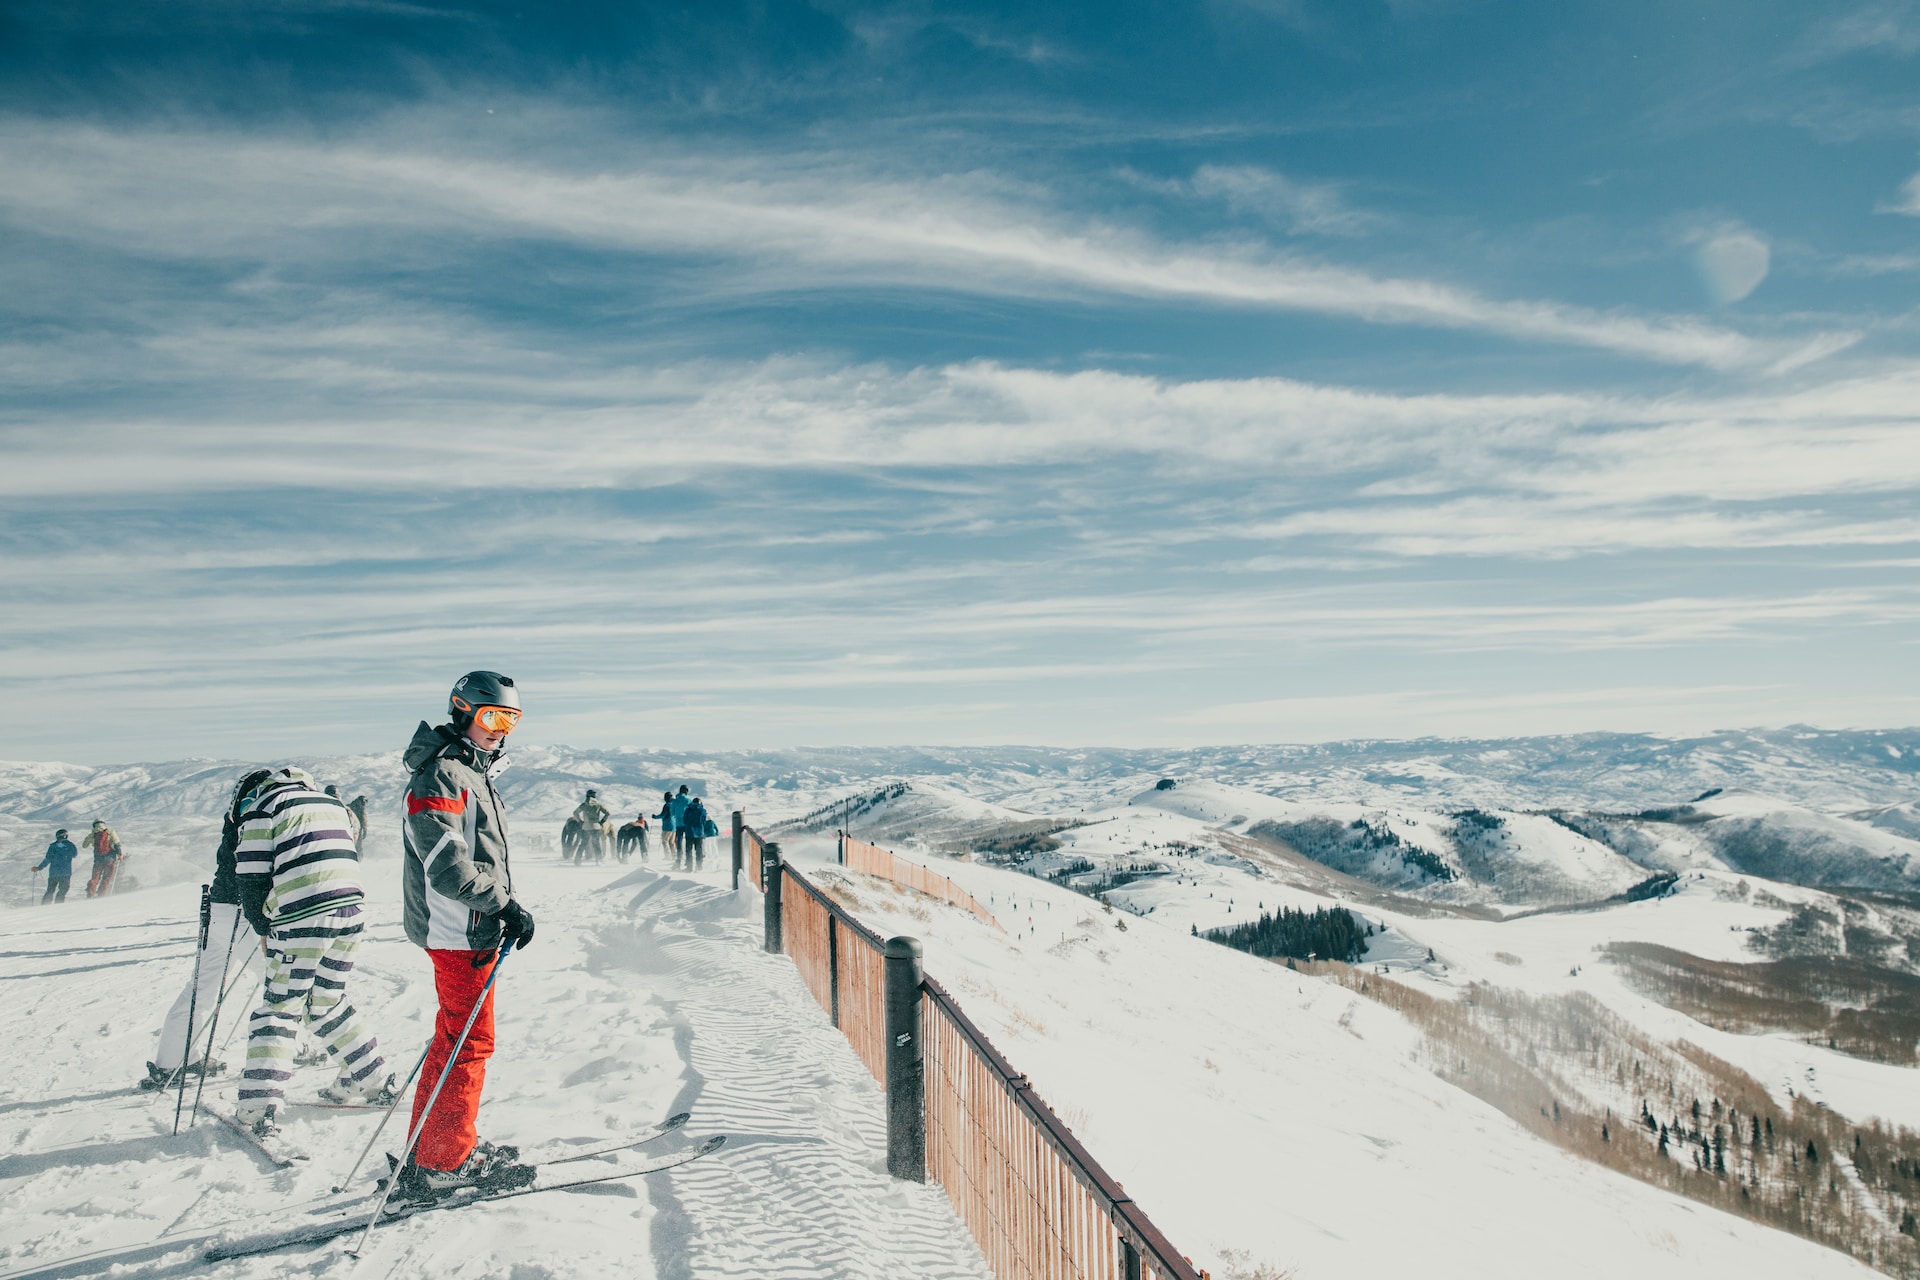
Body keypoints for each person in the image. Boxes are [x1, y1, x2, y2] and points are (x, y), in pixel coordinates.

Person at [394, 670, 537, 1200]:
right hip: (459, 930)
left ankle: (432, 1148)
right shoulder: (442, 777)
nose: (502, 730)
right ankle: (442, 1163)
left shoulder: (468, 772)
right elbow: (446, 866)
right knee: (470, 1044)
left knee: (454, 1040)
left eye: (511, 719)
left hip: (470, 927)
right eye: (493, 717)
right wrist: (505, 907)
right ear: (462, 711)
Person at [234, 767, 393, 1134]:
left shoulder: (263, 806)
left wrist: (263, 926)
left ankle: (258, 1106)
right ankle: (370, 1076)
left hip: (302, 916)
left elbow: (252, 876)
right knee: (326, 1001)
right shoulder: (330, 803)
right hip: (351, 911)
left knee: (281, 1005)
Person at [141, 770, 272, 1090]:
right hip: (239, 913)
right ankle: (290, 1049)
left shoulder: (233, 820)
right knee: (276, 978)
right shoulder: (253, 822)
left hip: (216, 909)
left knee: (202, 985)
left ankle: (172, 1060)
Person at [33, 829, 78, 905]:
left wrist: (39, 868)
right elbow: (74, 854)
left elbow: (47, 859)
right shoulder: (70, 845)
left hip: (54, 873)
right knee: (62, 891)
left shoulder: (53, 846)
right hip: (65, 873)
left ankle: (44, 905)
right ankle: (58, 906)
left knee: (50, 890)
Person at [83, 820, 124, 897]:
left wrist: (91, 839)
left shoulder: (92, 834)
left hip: (98, 860)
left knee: (95, 878)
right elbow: (117, 843)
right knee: (107, 877)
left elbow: (84, 845)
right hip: (110, 859)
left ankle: (90, 893)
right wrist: (120, 854)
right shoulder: (110, 832)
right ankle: (101, 894)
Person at [680, 794, 710, 871]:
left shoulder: (688, 809)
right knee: (699, 850)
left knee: (689, 850)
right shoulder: (703, 811)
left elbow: (684, 821)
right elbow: (704, 822)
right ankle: (699, 866)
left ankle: (689, 867)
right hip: (699, 833)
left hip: (689, 832)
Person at [656, 791, 678, 860]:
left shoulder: (667, 805)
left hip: (667, 826)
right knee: (671, 842)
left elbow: (663, 815)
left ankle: (667, 856)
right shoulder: (674, 804)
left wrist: (655, 817)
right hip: (674, 826)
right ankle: (674, 856)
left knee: (665, 841)